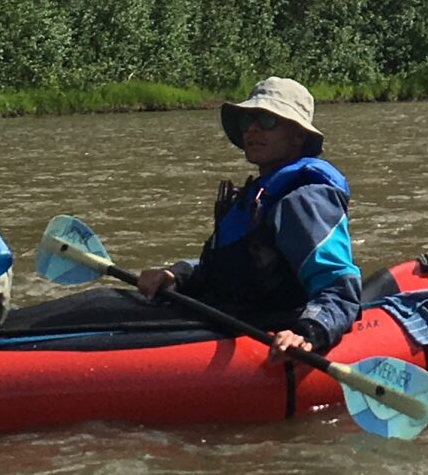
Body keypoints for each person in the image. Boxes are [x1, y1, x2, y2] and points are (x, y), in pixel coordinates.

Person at [129, 78, 361, 358]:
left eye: (267, 120)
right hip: (228, 311)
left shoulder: (304, 199)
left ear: (298, 135)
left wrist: (308, 332)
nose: (252, 128)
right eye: (247, 120)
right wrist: (175, 274)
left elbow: (339, 287)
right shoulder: (255, 195)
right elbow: (228, 269)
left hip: (268, 323)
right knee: (100, 304)